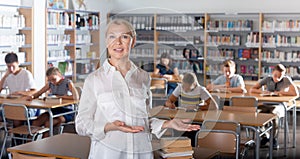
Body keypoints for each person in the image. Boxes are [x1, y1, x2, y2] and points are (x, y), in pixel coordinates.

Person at [75, 19, 200, 159]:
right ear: (106, 41)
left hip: (141, 153)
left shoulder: (144, 77)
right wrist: (110, 126)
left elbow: (144, 120)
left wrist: (167, 123)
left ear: (133, 41)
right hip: (108, 154)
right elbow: (81, 125)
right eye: (112, 36)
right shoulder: (94, 80)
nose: (118, 42)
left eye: (124, 37)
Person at [250, 64, 299, 148]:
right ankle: (265, 136)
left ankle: (273, 139)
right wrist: (263, 92)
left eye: (280, 76)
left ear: (283, 75)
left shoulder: (286, 79)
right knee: (255, 115)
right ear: (272, 72)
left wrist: (279, 93)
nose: (277, 79)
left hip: (280, 105)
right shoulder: (267, 78)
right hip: (266, 103)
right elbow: (252, 89)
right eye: (275, 75)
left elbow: (295, 93)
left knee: (274, 114)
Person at [27, 67, 79, 137]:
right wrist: (32, 97)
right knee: (36, 122)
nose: (52, 82)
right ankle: (30, 143)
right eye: (49, 80)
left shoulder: (67, 82)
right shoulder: (50, 84)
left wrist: (60, 96)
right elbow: (39, 93)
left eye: (54, 79)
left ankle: (45, 143)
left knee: (48, 124)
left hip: (67, 111)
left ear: (59, 75)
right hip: (54, 110)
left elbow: (76, 97)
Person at [0, 52, 37, 125]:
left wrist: (20, 93)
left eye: (13, 66)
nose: (11, 69)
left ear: (18, 63)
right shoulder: (8, 76)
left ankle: (17, 135)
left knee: (16, 117)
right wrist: (4, 76)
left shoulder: (26, 74)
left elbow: (34, 91)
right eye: (8, 67)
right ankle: (8, 134)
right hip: (13, 105)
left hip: (26, 106)